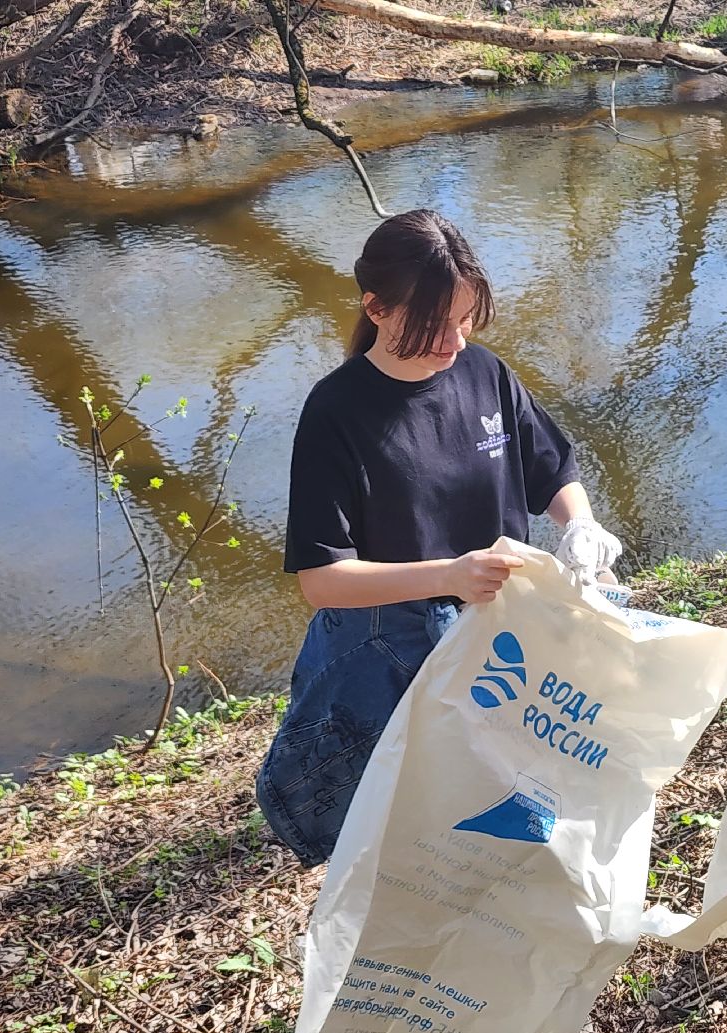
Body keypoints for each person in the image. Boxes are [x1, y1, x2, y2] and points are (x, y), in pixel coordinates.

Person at [256, 208, 620, 867]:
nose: (454, 342)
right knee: (402, 823)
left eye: (466, 319)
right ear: (377, 308)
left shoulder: (485, 374)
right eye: (434, 325)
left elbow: (554, 471)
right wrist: (449, 576)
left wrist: (581, 527)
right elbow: (322, 581)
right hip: (393, 650)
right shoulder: (337, 411)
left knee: (504, 807)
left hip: (500, 640)